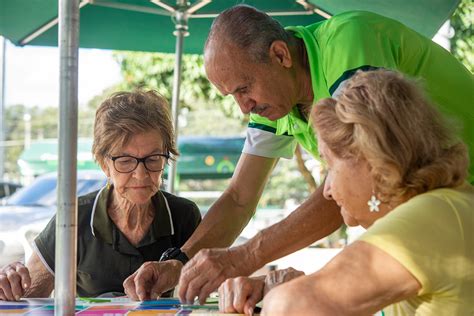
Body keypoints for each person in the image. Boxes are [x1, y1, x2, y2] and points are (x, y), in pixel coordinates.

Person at [125, 5, 473, 303]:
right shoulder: (273, 97)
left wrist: (246, 257)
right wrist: (181, 260)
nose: (245, 108)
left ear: (281, 55)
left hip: (451, 211)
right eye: (232, 95)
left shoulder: (348, 42)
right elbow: (239, 197)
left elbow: (361, 173)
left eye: (244, 89)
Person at [219, 70, 474, 315]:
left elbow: (289, 307)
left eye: (330, 165)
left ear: (371, 160)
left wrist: (281, 293)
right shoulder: (448, 207)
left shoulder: (426, 219)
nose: (327, 191)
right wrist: (284, 287)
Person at [0, 91, 201, 301]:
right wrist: (11, 284)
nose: (141, 174)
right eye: (125, 160)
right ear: (104, 164)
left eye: (153, 159)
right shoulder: (74, 218)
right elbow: (29, 293)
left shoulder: (183, 215)